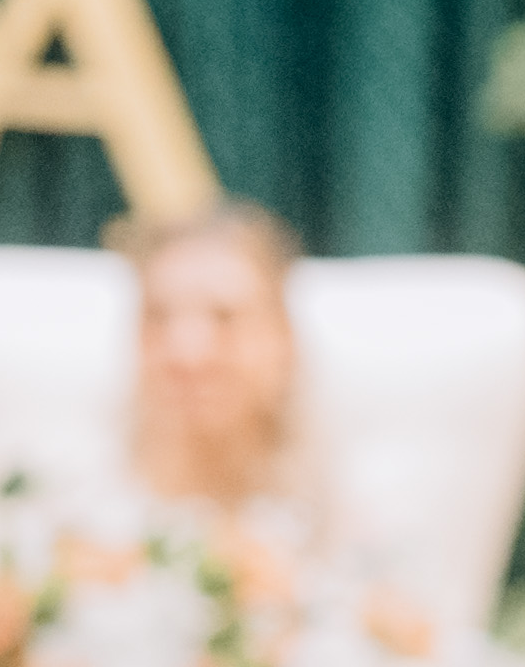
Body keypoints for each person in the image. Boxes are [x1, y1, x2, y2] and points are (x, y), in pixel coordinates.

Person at [99, 201, 347, 566]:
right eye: (159, 317)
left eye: (224, 317)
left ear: (284, 339)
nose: (186, 352)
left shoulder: (352, 517)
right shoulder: (74, 508)